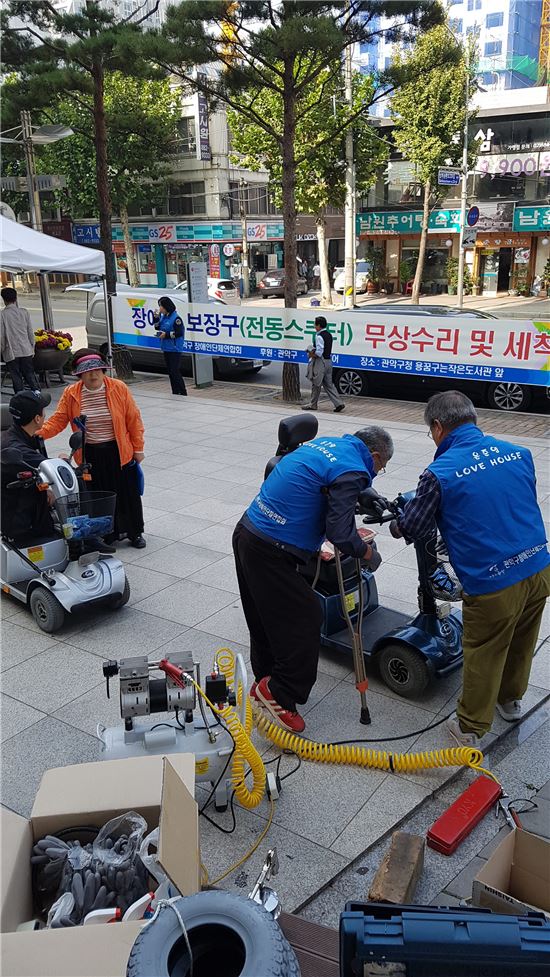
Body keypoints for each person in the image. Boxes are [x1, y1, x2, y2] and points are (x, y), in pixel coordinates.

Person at [390, 390, 550, 747]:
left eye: (431, 432)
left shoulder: (439, 473)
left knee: (484, 650)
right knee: (522, 640)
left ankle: (470, 728)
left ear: (437, 426)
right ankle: (510, 701)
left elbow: (415, 527)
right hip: (539, 567)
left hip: (494, 582)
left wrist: (396, 524)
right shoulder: (519, 453)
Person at [232, 426, 393, 732]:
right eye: (380, 467)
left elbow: (328, 484)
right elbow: (341, 535)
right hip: (272, 549)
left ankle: (265, 681)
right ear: (373, 455)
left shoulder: (330, 445)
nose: (376, 472)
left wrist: (365, 493)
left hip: (248, 531)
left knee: (266, 616)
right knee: (306, 616)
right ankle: (279, 692)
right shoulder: (353, 469)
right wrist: (369, 554)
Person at [40, 349, 146, 549]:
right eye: (87, 371)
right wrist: (37, 433)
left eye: (98, 369)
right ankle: (108, 533)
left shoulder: (118, 388)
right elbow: (59, 420)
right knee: (100, 495)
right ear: (79, 374)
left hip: (118, 450)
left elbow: (134, 420)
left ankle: (135, 532)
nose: (93, 374)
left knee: (127, 493)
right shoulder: (71, 393)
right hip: (90, 453)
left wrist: (138, 448)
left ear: (104, 371)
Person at [1, 390, 54, 540]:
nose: (45, 415)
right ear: (37, 418)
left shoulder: (26, 436)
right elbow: (47, 466)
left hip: (26, 504)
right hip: (23, 517)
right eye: (44, 411)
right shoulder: (17, 447)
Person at [0, 286, 41, 395]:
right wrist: (32, 348)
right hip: (26, 349)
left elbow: (1, 336)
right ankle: (37, 393)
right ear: (16, 298)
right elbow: (30, 332)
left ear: (4, 300)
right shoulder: (24, 312)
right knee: (29, 374)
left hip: (11, 352)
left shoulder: (2, 315)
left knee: (16, 376)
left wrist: (2, 350)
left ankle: (20, 397)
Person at [302, 315, 345, 413]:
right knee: (329, 384)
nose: (314, 327)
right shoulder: (329, 335)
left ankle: (313, 404)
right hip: (329, 361)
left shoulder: (319, 336)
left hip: (320, 363)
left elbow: (319, 352)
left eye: (315, 324)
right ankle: (338, 403)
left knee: (316, 383)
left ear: (319, 325)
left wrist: (310, 353)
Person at [153, 297, 187, 396]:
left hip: (175, 348)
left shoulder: (176, 318)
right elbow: (157, 327)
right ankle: (175, 391)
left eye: (161, 307)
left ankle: (182, 391)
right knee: (170, 372)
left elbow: (179, 333)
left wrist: (166, 335)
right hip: (166, 347)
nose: (160, 309)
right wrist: (156, 318)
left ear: (167, 307)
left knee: (174, 370)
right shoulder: (164, 317)